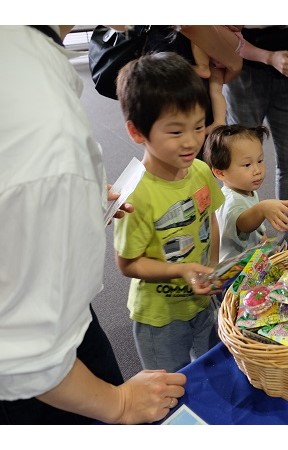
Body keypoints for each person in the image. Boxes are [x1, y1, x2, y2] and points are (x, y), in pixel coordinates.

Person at [0, 26, 186, 425]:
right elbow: (25, 356)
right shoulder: (47, 129)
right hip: (35, 371)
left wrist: (68, 205)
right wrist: (116, 404)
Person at [113, 52, 225, 374]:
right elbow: (128, 263)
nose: (191, 141)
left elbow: (211, 219)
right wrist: (182, 270)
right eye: (175, 132)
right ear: (137, 133)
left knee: (212, 370)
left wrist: (213, 265)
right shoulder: (136, 195)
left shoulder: (201, 171)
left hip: (202, 300)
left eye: (199, 126)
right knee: (169, 387)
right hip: (159, 317)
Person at [223, 25, 288, 211]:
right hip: (245, 73)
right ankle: (241, 224)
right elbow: (224, 34)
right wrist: (269, 57)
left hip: (286, 76)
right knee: (241, 161)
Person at [203, 124, 288, 262]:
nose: (257, 170)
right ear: (220, 172)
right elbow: (244, 223)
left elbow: (256, 228)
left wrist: (266, 243)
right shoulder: (230, 202)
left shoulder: (247, 191)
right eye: (247, 164)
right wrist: (262, 209)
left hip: (252, 262)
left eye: (260, 161)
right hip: (235, 274)